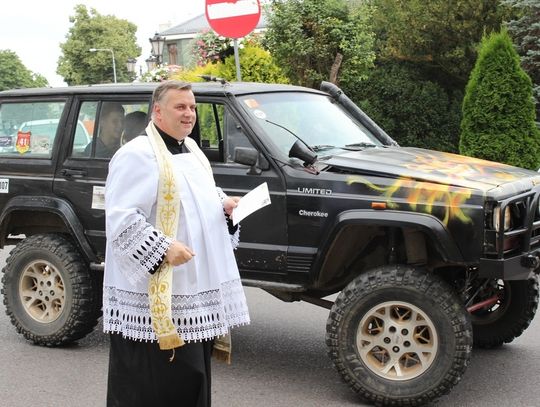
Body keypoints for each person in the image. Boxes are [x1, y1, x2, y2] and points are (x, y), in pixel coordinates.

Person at [103, 80, 250, 407]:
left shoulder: (193, 150)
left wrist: (224, 206)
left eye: (192, 107)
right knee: (154, 385)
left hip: (193, 288)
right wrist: (163, 248)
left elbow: (200, 197)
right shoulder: (136, 155)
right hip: (156, 292)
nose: (189, 114)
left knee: (191, 379)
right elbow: (121, 218)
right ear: (158, 111)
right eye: (180, 107)